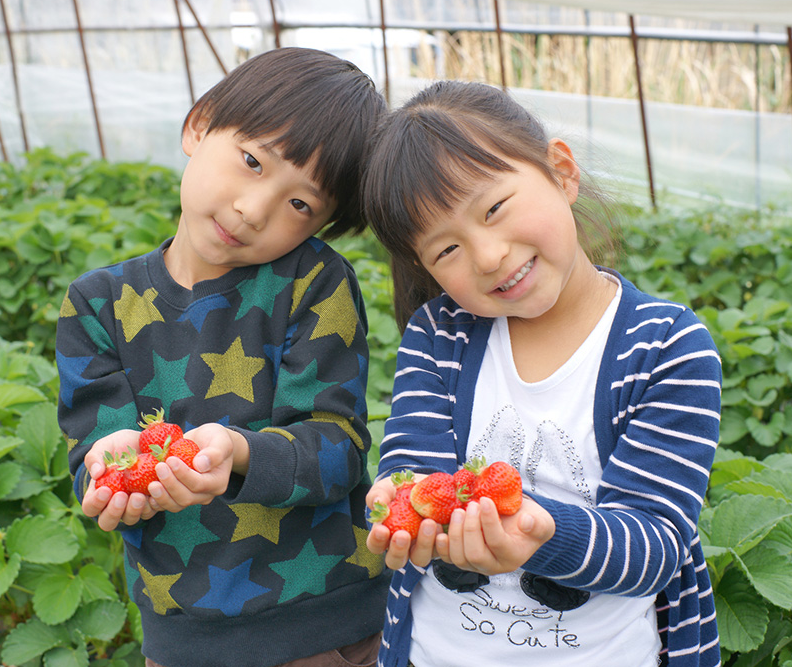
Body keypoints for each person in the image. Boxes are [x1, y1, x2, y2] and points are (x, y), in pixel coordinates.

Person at [359, 80, 722, 667]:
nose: (488, 256)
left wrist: (544, 533)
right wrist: (398, 501)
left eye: (494, 209)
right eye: (446, 250)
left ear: (561, 172)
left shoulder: (664, 348)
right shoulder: (440, 335)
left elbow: (654, 545)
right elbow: (413, 467)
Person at [55, 47, 391, 667]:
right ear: (198, 125)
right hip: (186, 637)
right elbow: (93, 458)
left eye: (300, 205)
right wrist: (110, 471)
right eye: (252, 161)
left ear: (323, 225)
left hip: (324, 626)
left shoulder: (312, 283)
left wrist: (237, 453)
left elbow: (338, 449)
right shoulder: (98, 305)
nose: (253, 210)